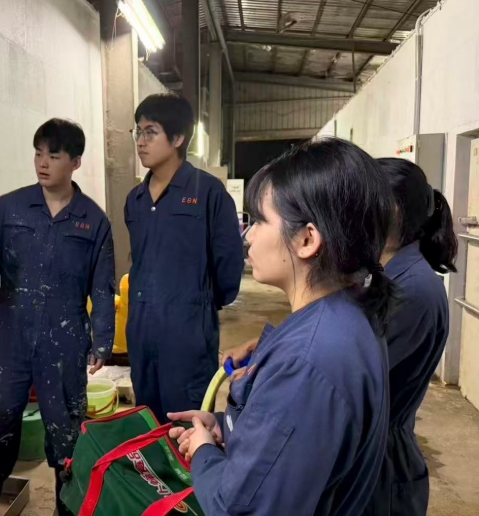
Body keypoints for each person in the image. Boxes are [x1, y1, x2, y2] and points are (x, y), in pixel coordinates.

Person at [169, 138, 394, 515]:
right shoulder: (346, 314)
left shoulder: (306, 364)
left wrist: (205, 450)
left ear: (306, 239)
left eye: (259, 221)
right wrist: (231, 429)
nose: (248, 235)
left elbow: (238, 508)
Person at [0, 118, 115, 516]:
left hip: (64, 340)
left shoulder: (93, 220)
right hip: (8, 337)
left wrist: (103, 340)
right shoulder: (9, 208)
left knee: (66, 434)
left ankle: (66, 508)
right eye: (38, 153)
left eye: (54, 156)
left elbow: (102, 287)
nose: (43, 163)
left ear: (75, 162)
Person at [124, 94, 243, 423]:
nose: (141, 141)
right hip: (142, 333)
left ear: (177, 138)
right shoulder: (135, 200)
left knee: (188, 426)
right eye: (138, 132)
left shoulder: (208, 193)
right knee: (148, 421)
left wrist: (196, 303)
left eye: (150, 132)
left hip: (187, 337)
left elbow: (228, 265)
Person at [361, 158, 456, 516]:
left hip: (381, 470)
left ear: (393, 211)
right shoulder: (386, 274)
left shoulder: (413, 290)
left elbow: (355, 373)